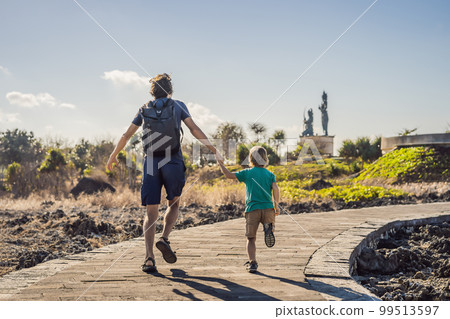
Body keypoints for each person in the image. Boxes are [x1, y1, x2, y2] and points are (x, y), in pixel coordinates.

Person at [107, 73, 218, 273]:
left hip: (150, 161)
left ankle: (149, 258)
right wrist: (213, 148)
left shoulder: (144, 108)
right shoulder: (178, 105)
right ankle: (165, 238)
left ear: (153, 91)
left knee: (151, 213)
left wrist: (113, 155)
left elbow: (126, 135)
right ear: (170, 90)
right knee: (173, 202)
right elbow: (193, 129)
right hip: (172, 159)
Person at [215, 146, 280, 273]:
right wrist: (276, 206)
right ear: (265, 159)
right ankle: (269, 228)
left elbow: (228, 175)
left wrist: (221, 164)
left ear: (251, 159)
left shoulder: (247, 173)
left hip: (253, 209)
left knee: (251, 238)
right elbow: (276, 189)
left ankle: (252, 262)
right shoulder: (270, 174)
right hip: (268, 208)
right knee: (269, 223)